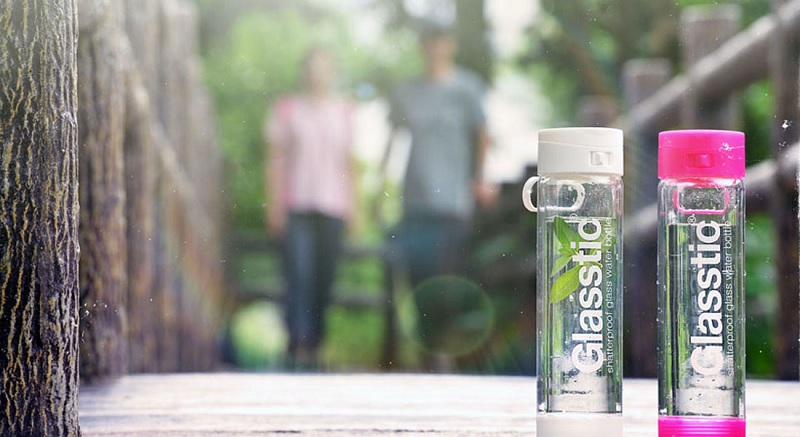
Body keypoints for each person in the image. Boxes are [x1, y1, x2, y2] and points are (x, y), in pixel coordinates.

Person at [379, 23, 496, 365]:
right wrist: (380, 189)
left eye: (440, 42)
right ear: (422, 47)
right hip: (416, 202)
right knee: (417, 278)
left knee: (449, 279)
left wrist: (479, 179)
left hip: (454, 204)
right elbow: (392, 140)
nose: (435, 49)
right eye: (429, 43)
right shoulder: (407, 91)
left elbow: (482, 136)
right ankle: (427, 351)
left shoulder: (467, 88)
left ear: (450, 46)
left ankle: (446, 352)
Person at [264, 47, 356, 370]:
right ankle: (296, 344)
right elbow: (276, 160)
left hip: (333, 207)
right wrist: (273, 205)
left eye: (324, 67)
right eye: (313, 67)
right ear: (304, 71)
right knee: (298, 274)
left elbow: (349, 164)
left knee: (324, 278)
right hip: (297, 205)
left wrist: (354, 208)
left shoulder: (344, 111)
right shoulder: (287, 109)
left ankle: (315, 344)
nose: (318, 73)